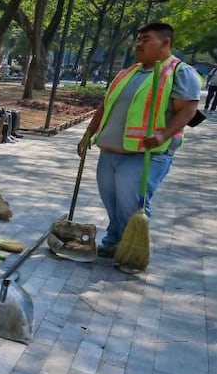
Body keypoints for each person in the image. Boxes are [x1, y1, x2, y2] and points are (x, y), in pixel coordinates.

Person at [77, 22, 201, 260]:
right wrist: (88, 133)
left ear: (165, 42)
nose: (139, 44)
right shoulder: (128, 72)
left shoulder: (179, 72)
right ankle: (114, 242)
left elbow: (188, 110)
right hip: (110, 150)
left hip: (145, 154)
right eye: (138, 40)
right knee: (112, 202)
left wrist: (163, 135)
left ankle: (132, 252)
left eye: (146, 39)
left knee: (131, 205)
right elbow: (106, 105)